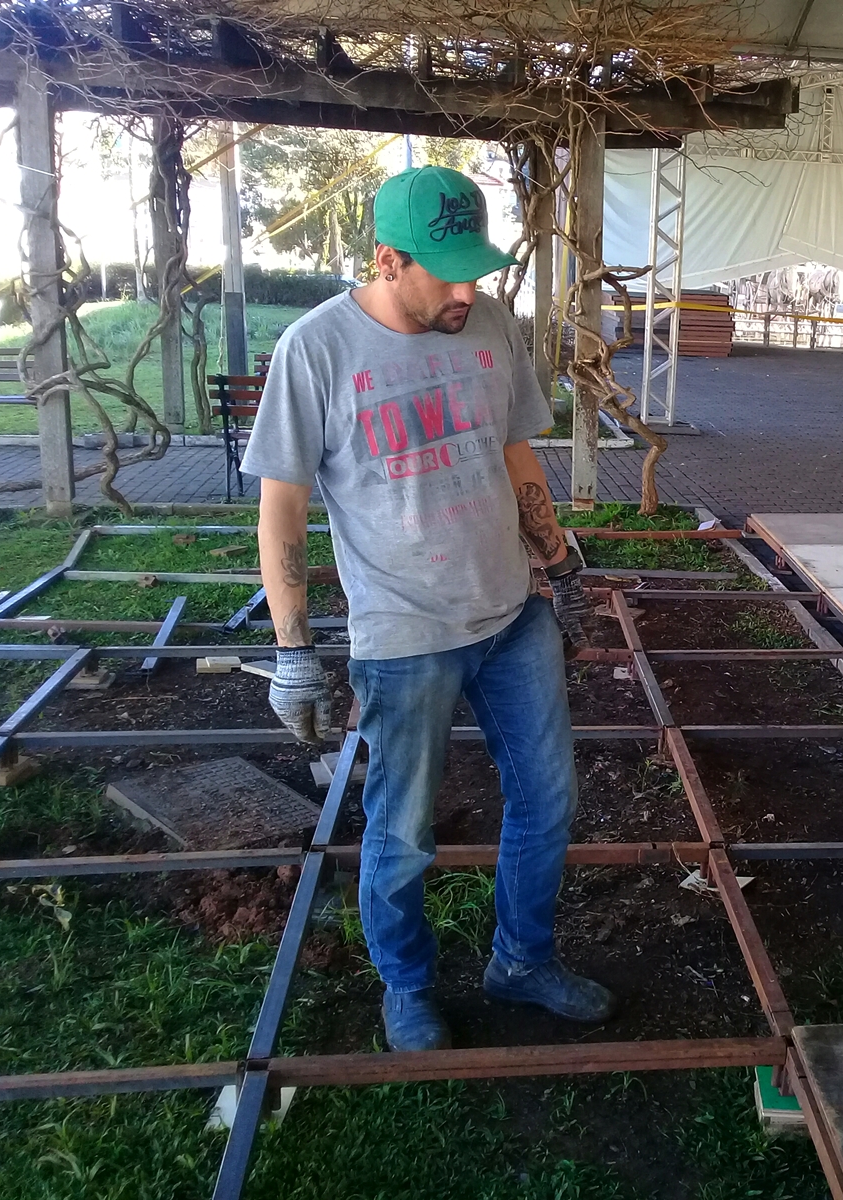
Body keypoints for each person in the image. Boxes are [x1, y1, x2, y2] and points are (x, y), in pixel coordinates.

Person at [242, 165, 615, 1052]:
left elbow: (517, 449)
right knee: (402, 833)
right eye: (445, 272)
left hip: (512, 615)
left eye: (475, 269)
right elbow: (282, 507)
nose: (466, 290)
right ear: (385, 258)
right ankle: (407, 986)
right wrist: (293, 651)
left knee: (548, 803)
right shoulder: (317, 350)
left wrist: (553, 552)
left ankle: (521, 961)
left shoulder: (488, 323)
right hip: (404, 636)